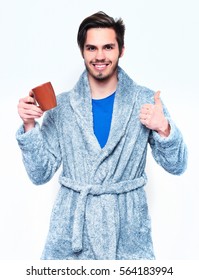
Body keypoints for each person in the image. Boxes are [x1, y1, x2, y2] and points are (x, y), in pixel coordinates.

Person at [16, 11, 187, 260]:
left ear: (121, 50)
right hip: (71, 233)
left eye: (108, 47)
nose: (99, 56)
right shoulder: (61, 107)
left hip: (127, 235)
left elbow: (178, 166)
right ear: (82, 52)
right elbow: (40, 174)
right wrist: (29, 125)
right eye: (91, 48)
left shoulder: (145, 101)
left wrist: (164, 129)